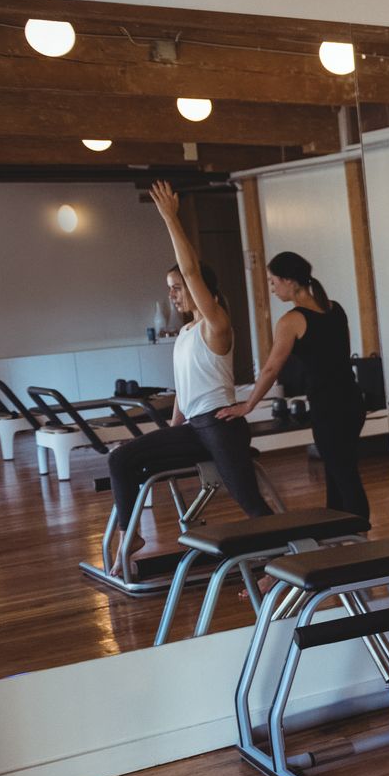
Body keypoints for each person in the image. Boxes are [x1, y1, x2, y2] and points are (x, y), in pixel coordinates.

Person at [107, 182, 271, 575]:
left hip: (220, 426)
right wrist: (174, 429)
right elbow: (184, 386)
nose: (174, 296)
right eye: (170, 290)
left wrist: (169, 217)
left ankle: (283, 557)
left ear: (203, 292)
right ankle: (133, 537)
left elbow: (191, 268)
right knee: (121, 458)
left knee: (250, 503)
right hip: (193, 427)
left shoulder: (216, 325)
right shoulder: (183, 335)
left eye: (179, 288)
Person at [219, 250, 368, 520]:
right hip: (352, 401)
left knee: (344, 474)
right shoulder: (334, 308)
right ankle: (338, 533)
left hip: (330, 408)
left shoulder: (291, 321)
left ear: (289, 280)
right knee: (338, 471)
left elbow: (271, 368)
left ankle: (366, 542)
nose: (272, 288)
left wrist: (248, 405)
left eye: (273, 281)